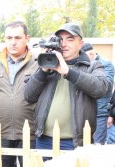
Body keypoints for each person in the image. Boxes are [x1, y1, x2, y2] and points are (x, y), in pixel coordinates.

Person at [24, 23, 108, 154]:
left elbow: (101, 89)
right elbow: (28, 96)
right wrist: (43, 71)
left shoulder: (92, 66)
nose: (64, 44)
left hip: (75, 142)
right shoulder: (46, 65)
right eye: (60, 39)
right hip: (44, 140)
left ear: (81, 43)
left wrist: (68, 72)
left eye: (70, 39)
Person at [0, 21, 38, 167]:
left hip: (30, 132)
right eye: (9, 37)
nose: (13, 42)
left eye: (18, 37)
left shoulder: (38, 64)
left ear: (27, 38)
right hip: (2, 132)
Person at [81, 42, 115, 144]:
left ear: (91, 54)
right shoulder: (83, 64)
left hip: (99, 113)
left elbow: (106, 86)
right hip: (84, 112)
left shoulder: (106, 64)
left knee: (96, 145)